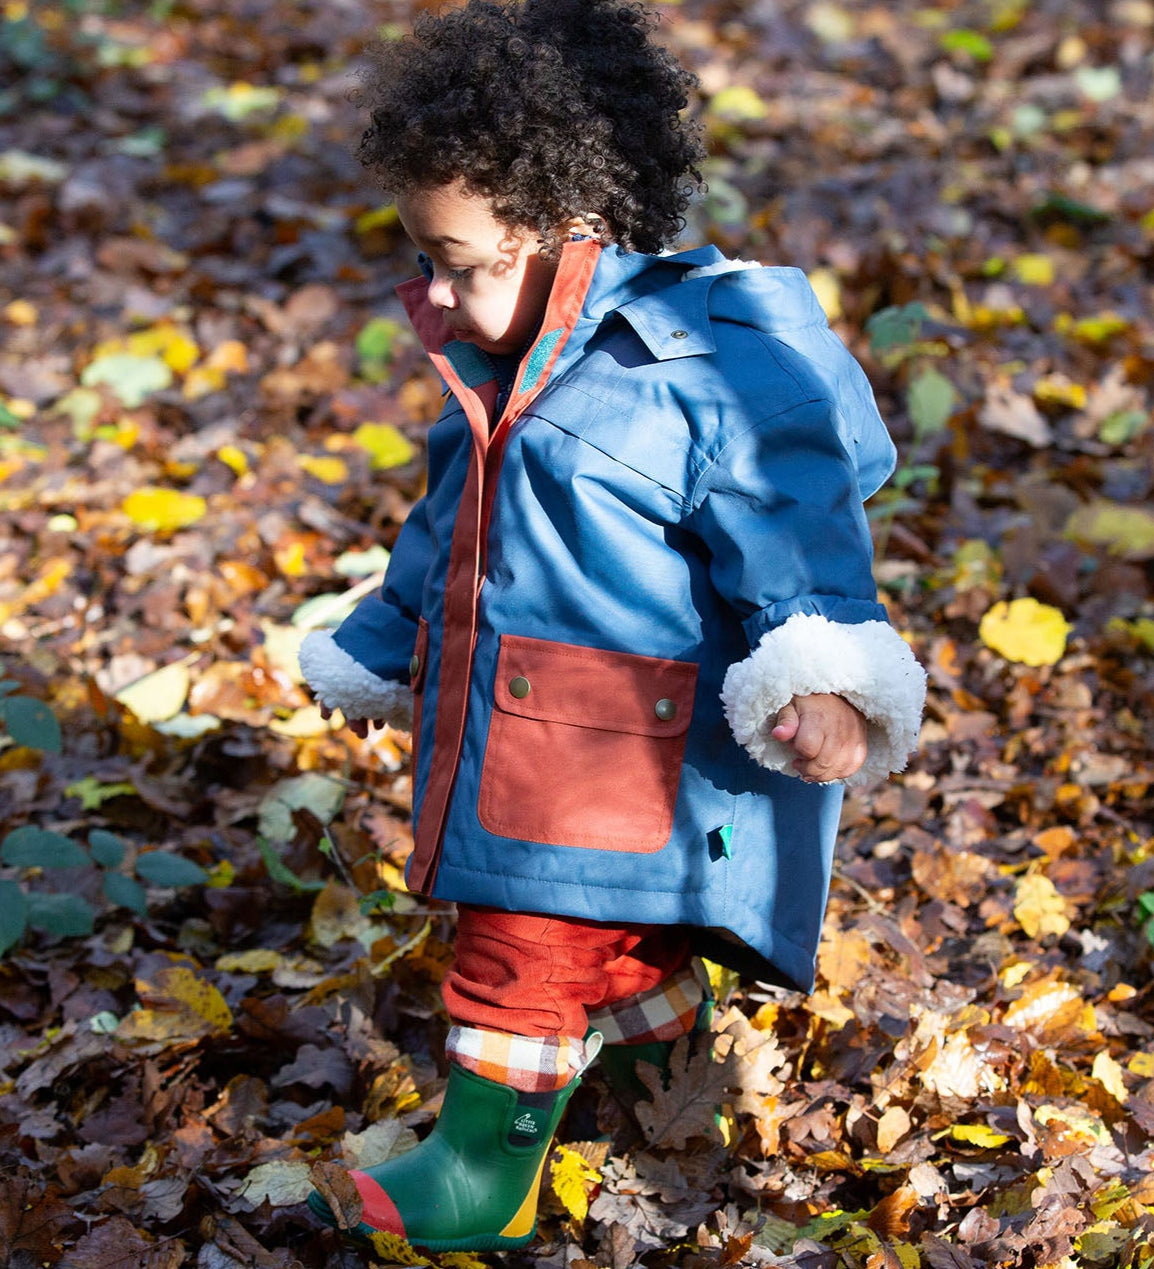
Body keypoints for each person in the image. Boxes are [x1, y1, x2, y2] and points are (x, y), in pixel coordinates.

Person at [299, 0, 926, 1252]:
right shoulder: (492, 377)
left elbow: (789, 523)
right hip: (525, 736)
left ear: (570, 226)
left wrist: (821, 674)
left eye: (464, 261)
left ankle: (481, 1175)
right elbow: (440, 539)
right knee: (614, 945)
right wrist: (375, 648)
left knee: (517, 954)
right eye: (424, 257)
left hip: (606, 758)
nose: (438, 293)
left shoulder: (694, 370)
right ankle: (657, 1094)